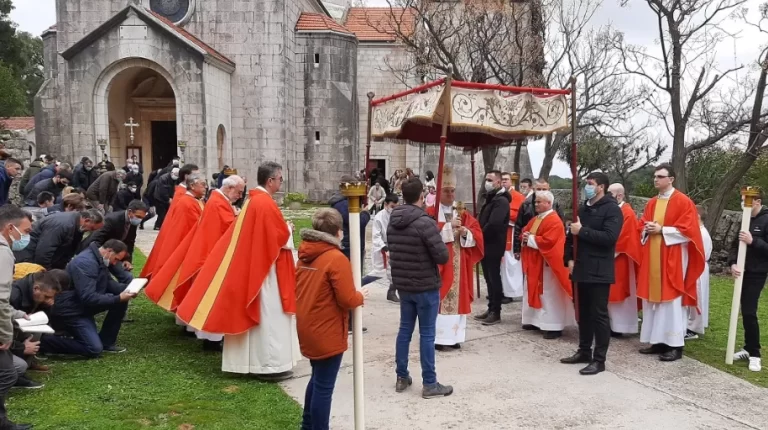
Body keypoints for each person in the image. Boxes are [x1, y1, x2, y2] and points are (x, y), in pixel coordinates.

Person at [176, 162, 301, 378]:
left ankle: (255, 364)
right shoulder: (264, 203)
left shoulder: (256, 200)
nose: (281, 182)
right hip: (266, 272)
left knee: (264, 317)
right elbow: (274, 238)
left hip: (260, 265)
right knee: (268, 317)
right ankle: (267, 366)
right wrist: (288, 229)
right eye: (280, 179)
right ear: (270, 180)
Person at [147, 176, 243, 349]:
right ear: (229, 188)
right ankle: (211, 339)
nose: (240, 195)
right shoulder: (217, 202)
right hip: (210, 254)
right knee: (210, 296)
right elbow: (228, 226)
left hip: (204, 250)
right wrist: (240, 217)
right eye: (239, 192)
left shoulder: (215, 200)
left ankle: (198, 330)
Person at [296, 208, 368, 430]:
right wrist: (360, 296)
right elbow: (347, 299)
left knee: (317, 379)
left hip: (308, 325)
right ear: (338, 231)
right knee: (324, 386)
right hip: (326, 330)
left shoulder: (306, 253)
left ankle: (307, 425)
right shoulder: (335, 258)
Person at [387, 177, 452, 398]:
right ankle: (430, 383)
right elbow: (442, 256)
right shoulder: (425, 223)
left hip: (404, 284)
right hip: (425, 285)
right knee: (426, 334)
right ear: (422, 197)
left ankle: (401, 375)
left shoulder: (393, 220)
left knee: (405, 330)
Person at [637, 164, 705, 362]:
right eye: (655, 176)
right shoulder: (651, 203)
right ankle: (657, 341)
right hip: (652, 257)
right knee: (653, 302)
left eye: (660, 176)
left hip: (673, 257)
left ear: (671, 179)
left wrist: (662, 230)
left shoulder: (684, 202)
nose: (655, 180)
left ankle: (675, 345)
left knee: (672, 301)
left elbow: (689, 231)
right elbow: (643, 224)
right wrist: (646, 228)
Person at [561, 172, 623, 375]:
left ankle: (599, 359)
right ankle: (584, 350)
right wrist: (569, 258)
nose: (586, 187)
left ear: (601, 187)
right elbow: (571, 235)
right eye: (586, 183)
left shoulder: (612, 210)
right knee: (583, 313)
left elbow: (609, 237)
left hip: (599, 270)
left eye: (590, 184)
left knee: (599, 315)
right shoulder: (583, 208)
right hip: (580, 268)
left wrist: (583, 231)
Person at [40, 240, 137, 358]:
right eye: (116, 259)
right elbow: (88, 297)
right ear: (109, 251)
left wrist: (130, 289)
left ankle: (106, 341)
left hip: (80, 306)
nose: (114, 263)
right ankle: (45, 342)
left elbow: (109, 284)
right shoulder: (86, 263)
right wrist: (117, 298)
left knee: (120, 302)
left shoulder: (99, 260)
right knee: (94, 348)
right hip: (72, 310)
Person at [426, 168, 484, 350]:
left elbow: (477, 232)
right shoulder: (431, 211)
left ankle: (455, 336)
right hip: (441, 263)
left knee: (458, 299)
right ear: (439, 192)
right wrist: (448, 227)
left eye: (452, 191)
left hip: (460, 262)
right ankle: (440, 339)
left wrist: (466, 232)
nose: (450, 194)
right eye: (446, 191)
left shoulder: (461, 211)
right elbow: (428, 233)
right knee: (441, 297)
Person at [519, 190, 575, 340]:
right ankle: (534, 320)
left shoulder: (554, 220)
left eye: (539, 202)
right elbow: (526, 230)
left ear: (549, 203)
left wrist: (530, 238)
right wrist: (525, 236)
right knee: (534, 290)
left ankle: (553, 326)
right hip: (536, 262)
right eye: (536, 202)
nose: (536, 204)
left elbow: (549, 242)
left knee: (550, 295)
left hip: (548, 265)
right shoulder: (537, 218)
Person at [0, 205, 33, 429]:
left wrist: (19, 314)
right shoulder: (3, 252)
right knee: (7, 374)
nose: (28, 236)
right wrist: (5, 334)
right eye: (27, 230)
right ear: (11, 228)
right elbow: (1, 299)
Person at [140, 173, 206, 279]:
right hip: (185, 242)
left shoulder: (194, 200)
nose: (206, 187)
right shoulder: (187, 202)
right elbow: (196, 224)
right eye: (203, 184)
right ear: (192, 186)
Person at [729, 191, 768, 371]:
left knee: (749, 311)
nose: (742, 204)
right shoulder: (744, 219)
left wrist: (753, 241)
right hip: (741, 272)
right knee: (741, 309)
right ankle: (747, 347)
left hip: (757, 273)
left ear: (757, 201)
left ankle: (755, 354)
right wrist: (732, 263)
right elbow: (734, 246)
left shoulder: (766, 220)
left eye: (746, 201)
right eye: (742, 201)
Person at [329, 175, 371, 334]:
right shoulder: (342, 204)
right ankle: (350, 322)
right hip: (349, 248)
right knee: (351, 285)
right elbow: (357, 222)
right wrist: (366, 214)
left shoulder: (341, 203)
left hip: (350, 246)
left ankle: (352, 320)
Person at [10, 270, 65, 385]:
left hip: (16, 327)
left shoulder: (36, 292)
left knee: (37, 329)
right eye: (46, 297)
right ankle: (15, 372)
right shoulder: (14, 295)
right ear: (36, 289)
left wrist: (47, 306)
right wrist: (20, 347)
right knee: (19, 364)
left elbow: (43, 319)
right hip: (8, 333)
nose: (48, 299)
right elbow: (4, 330)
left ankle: (26, 366)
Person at [474, 170, 510, 325]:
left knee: (494, 278)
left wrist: (480, 235)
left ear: (498, 182)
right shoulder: (491, 198)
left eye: (490, 179)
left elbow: (494, 224)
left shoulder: (501, 201)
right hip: (486, 244)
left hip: (493, 244)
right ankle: (490, 308)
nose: (487, 182)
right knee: (488, 278)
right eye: (486, 179)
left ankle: (496, 311)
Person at [15, 209, 104, 270]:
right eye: (92, 228)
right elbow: (44, 252)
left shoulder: (77, 227)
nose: (90, 232)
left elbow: (68, 250)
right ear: (87, 220)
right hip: (28, 256)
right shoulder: (63, 225)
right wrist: (45, 272)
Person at [606, 183, 642, 336]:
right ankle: (609, 324)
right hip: (608, 257)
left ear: (619, 195)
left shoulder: (627, 213)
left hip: (620, 258)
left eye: (610, 194)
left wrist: (604, 249)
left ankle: (621, 327)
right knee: (608, 293)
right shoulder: (611, 210)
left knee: (619, 293)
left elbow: (625, 238)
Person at [79, 200, 148, 275]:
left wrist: (127, 260)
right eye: (138, 216)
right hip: (98, 253)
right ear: (130, 211)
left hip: (113, 255)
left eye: (142, 218)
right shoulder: (112, 220)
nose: (139, 220)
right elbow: (96, 239)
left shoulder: (132, 223)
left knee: (127, 276)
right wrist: (102, 257)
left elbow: (130, 242)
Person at [513, 178, 565, 260]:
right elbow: (518, 226)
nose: (541, 191)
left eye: (544, 189)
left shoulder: (555, 204)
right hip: (530, 248)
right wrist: (516, 249)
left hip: (549, 248)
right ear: (534, 189)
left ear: (549, 189)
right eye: (539, 189)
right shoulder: (526, 204)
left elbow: (561, 225)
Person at [363, 193, 399, 303]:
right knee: (379, 272)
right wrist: (385, 248)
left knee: (396, 270)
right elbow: (376, 236)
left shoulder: (398, 215)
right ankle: (359, 283)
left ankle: (391, 292)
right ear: (386, 204)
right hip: (381, 247)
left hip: (394, 245)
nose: (394, 209)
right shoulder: (379, 217)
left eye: (396, 207)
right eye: (392, 207)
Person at [687, 206, 712, 340]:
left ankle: (693, 328)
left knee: (697, 296)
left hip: (699, 267)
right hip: (694, 266)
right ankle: (689, 324)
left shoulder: (702, 234)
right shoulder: (696, 231)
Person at [501, 172, 526, 303]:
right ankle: (501, 290)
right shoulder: (498, 194)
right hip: (500, 233)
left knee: (511, 263)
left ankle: (511, 291)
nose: (504, 182)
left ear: (512, 181)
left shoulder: (518, 196)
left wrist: (504, 214)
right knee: (502, 264)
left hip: (511, 232)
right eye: (502, 180)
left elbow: (519, 215)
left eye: (506, 180)